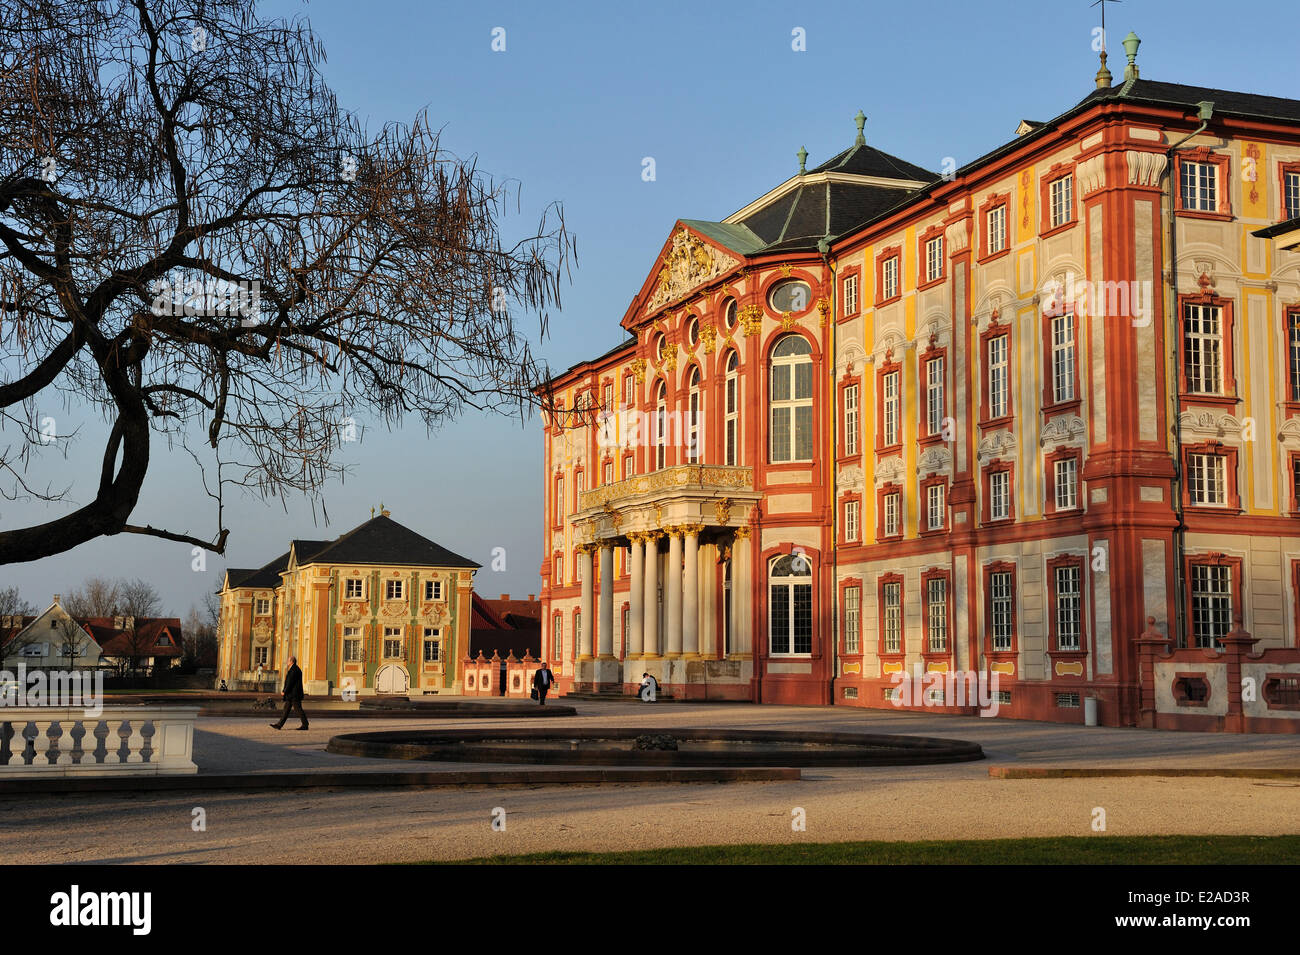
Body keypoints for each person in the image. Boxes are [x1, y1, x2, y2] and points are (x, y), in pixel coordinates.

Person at [270, 655, 309, 730]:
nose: (287, 662)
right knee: (286, 709)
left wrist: (284, 691)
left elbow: (290, 682)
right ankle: (279, 725)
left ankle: (305, 724)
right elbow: (290, 682)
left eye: (288, 661)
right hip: (292, 695)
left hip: (294, 695)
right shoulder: (295, 669)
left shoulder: (294, 670)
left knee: (298, 709)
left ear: (291, 661)